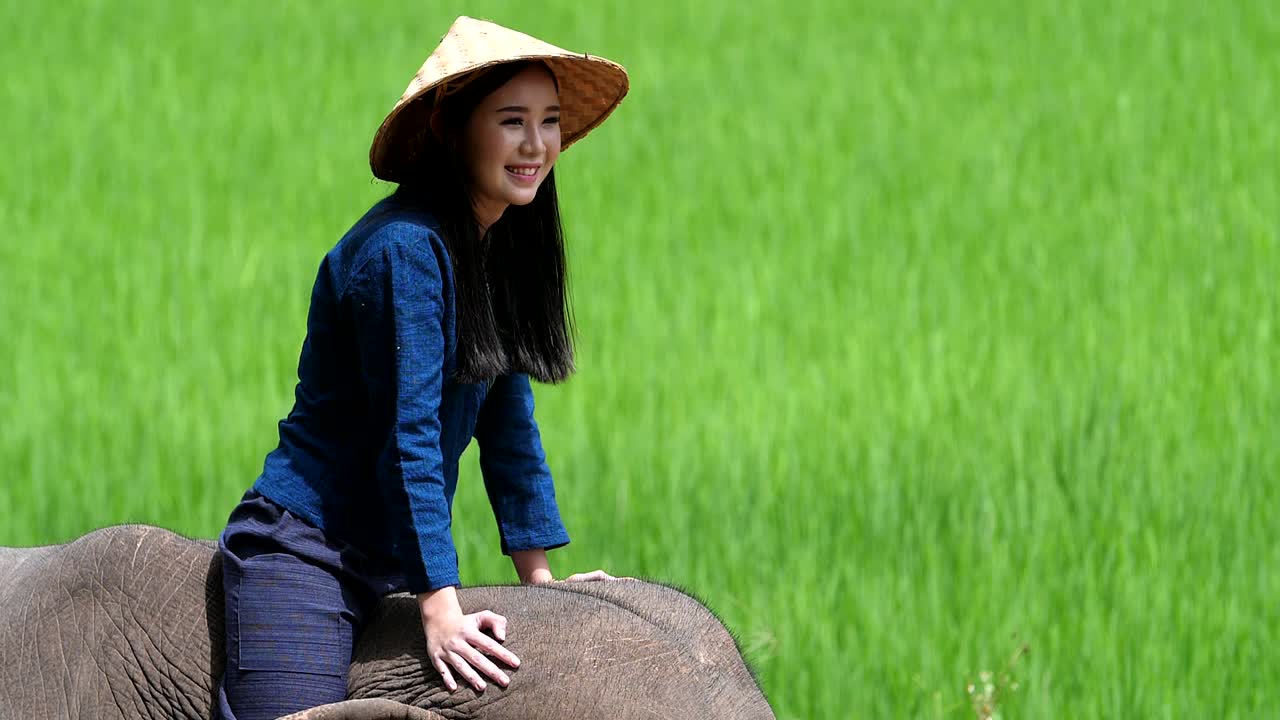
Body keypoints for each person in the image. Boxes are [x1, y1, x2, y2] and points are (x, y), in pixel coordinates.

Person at [214, 16, 629, 720]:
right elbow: (407, 437)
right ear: (449, 125)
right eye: (512, 121)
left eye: (550, 121)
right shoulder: (404, 251)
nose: (537, 145)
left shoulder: (492, 249)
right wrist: (439, 607)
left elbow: (508, 431)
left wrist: (540, 578)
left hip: (386, 565)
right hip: (306, 556)